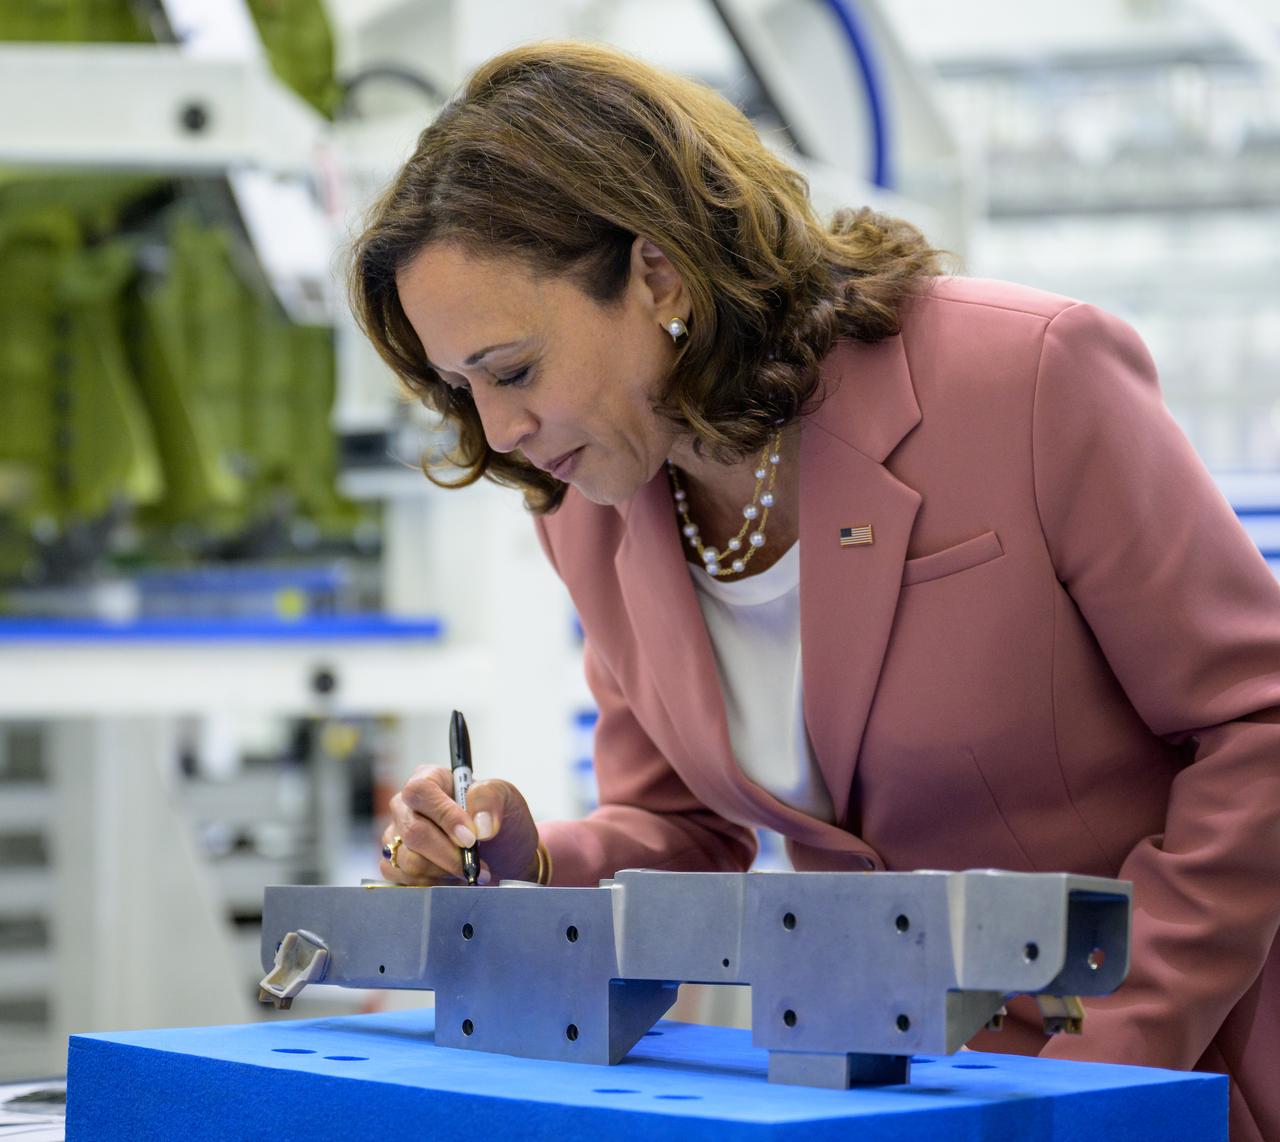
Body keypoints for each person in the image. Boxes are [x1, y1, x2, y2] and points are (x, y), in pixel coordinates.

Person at [351, 41, 1280, 1140]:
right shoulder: (591, 509)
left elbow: (1254, 726)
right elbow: (684, 825)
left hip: (1191, 1056)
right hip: (910, 1084)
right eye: (461, 388)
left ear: (657, 275)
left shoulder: (1027, 377)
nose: (499, 431)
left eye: (511, 370)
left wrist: (1104, 1064)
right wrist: (526, 850)